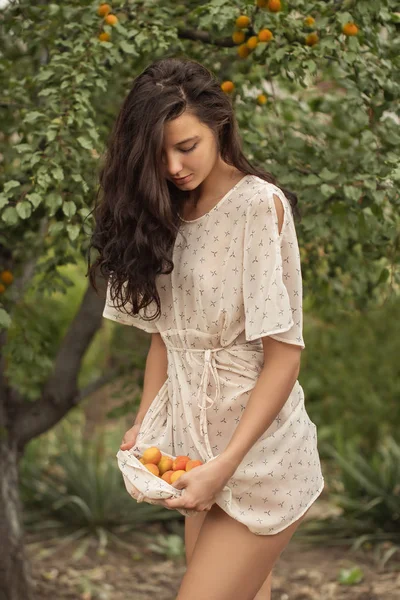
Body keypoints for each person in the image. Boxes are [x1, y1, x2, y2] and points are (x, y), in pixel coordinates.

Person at [88, 56, 324, 600]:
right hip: (194, 454)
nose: (172, 165)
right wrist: (146, 424)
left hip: (258, 457)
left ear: (219, 124)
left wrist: (227, 465)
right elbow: (164, 341)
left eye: (186, 146)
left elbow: (284, 357)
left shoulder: (258, 207)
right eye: (158, 152)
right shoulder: (162, 213)